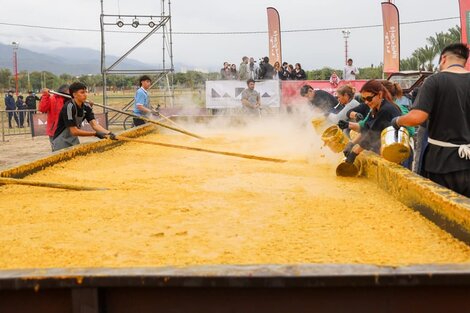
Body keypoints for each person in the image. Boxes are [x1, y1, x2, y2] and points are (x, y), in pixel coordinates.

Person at [391, 43, 470, 197]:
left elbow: (417, 117)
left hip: (442, 162)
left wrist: (397, 120)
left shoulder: (435, 81)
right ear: (464, 61)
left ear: (443, 59)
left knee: (443, 209)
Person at [337, 79, 402, 166]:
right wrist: (351, 144)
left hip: (397, 151)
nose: (366, 102)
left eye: (369, 98)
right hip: (387, 150)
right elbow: (366, 129)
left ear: (380, 94)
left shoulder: (386, 110)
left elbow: (372, 135)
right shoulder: (375, 108)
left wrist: (354, 153)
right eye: (364, 99)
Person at [52, 82, 115, 152]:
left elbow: (95, 125)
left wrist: (109, 133)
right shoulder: (69, 107)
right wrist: (95, 134)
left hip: (73, 139)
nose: (85, 95)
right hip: (61, 140)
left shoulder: (86, 107)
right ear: (74, 94)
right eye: (82, 92)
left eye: (86, 92)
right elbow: (74, 131)